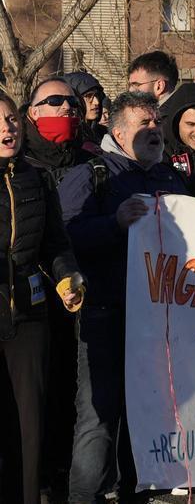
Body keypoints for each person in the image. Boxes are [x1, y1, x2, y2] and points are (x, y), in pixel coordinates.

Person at [59, 92, 188, 503]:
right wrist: (114, 224)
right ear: (117, 133)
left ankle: (139, 495)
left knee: (147, 415)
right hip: (105, 314)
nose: (155, 130)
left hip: (157, 319)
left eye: (157, 122)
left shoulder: (170, 177)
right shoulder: (92, 174)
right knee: (98, 419)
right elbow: (64, 237)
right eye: (143, 124)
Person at [0, 89, 83, 504]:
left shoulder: (36, 175)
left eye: (12, 119)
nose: (6, 128)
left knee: (30, 428)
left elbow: (55, 244)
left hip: (29, 318)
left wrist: (67, 278)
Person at [21, 77, 93, 183]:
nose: (67, 107)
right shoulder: (16, 162)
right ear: (34, 112)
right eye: (55, 100)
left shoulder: (91, 160)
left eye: (72, 101)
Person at [64, 70, 107, 148]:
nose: (96, 102)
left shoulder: (106, 135)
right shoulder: (66, 138)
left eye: (98, 95)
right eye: (88, 96)